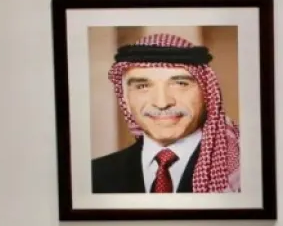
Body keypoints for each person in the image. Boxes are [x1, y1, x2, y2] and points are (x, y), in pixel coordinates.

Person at [92, 33, 241, 194]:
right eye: (142, 86)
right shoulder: (94, 175)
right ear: (126, 101)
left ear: (207, 94)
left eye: (180, 84)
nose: (162, 103)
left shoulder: (242, 170)